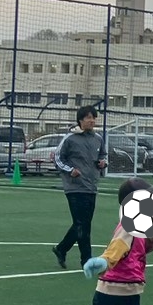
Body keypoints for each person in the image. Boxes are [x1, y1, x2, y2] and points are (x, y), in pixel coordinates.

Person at [52, 106, 107, 269]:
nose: (92, 121)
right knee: (81, 224)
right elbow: (58, 158)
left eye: (94, 118)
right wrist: (70, 170)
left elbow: (103, 156)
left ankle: (61, 249)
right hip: (74, 187)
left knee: (83, 224)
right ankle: (86, 260)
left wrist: (103, 163)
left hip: (91, 186)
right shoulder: (70, 138)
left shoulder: (98, 138)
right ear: (80, 120)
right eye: (88, 117)